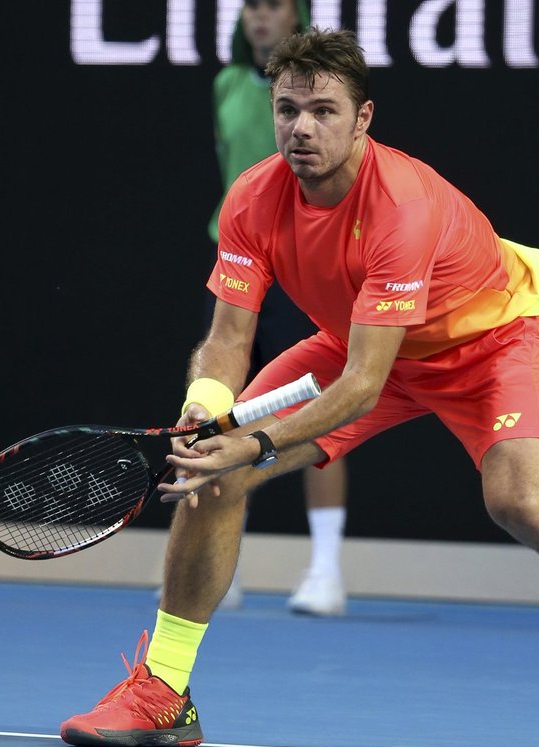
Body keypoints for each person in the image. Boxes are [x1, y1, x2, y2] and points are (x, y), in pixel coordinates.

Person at [60, 27, 539, 747]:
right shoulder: (253, 196)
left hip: (486, 345)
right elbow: (229, 338)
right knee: (215, 473)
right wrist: (205, 409)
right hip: (359, 342)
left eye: (324, 111)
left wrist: (255, 441)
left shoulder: (401, 205)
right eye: (288, 109)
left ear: (364, 118)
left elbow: (362, 387)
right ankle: (163, 693)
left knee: (520, 501)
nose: (301, 128)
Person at [209, 0, 347, 616]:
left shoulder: (321, 94)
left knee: (319, 416)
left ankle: (326, 571)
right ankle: (219, 568)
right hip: (241, 265)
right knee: (221, 414)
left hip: (303, 269)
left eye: (273, 6)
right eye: (251, 8)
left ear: (297, 18)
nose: (259, 18)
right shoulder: (229, 84)